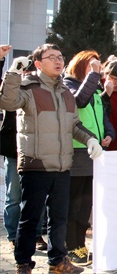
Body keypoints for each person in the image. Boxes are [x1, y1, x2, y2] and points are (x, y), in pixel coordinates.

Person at [0, 44, 102, 274]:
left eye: (60, 57)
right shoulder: (28, 87)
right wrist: (13, 73)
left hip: (63, 164)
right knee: (30, 217)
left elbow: (74, 124)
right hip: (36, 163)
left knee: (59, 218)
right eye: (51, 57)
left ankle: (58, 261)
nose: (58, 61)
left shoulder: (65, 91)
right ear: (38, 63)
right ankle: (23, 263)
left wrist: (90, 140)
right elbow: (7, 103)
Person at [63, 51, 115, 265]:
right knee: (73, 202)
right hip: (76, 151)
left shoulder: (95, 87)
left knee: (86, 203)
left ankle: (80, 245)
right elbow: (79, 103)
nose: (97, 69)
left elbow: (102, 116)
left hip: (94, 152)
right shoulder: (69, 85)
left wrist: (109, 133)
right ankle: (70, 245)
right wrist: (94, 76)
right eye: (92, 66)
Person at [0, 48, 47, 252]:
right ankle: (12, 235)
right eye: (23, 69)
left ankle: (36, 235)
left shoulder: (43, 87)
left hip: (39, 151)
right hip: (14, 150)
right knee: (14, 196)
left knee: (37, 197)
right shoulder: (12, 87)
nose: (27, 73)